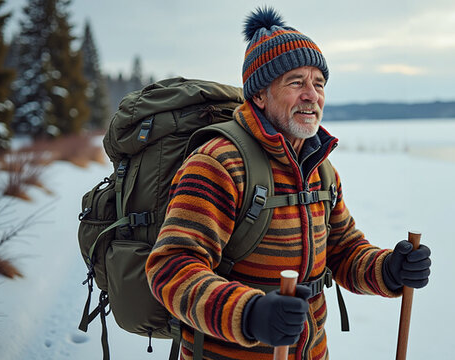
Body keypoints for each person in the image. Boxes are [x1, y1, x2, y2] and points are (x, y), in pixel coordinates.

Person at [145, 7, 432, 360]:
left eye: (319, 83)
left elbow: (343, 250)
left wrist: (388, 270)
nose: (312, 95)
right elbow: (171, 267)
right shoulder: (219, 162)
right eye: (296, 82)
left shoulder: (320, 169)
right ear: (260, 96)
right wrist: (250, 314)